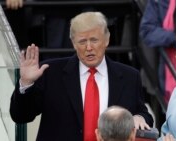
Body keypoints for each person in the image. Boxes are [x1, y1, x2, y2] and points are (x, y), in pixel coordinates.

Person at [9, 11, 153, 141]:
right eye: (82, 41)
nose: (89, 47)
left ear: (106, 40)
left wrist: (139, 117)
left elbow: (143, 114)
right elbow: (21, 116)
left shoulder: (129, 76)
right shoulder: (50, 72)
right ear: (73, 43)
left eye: (94, 40)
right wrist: (26, 83)